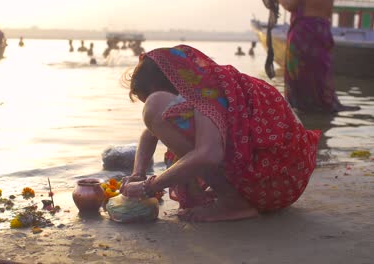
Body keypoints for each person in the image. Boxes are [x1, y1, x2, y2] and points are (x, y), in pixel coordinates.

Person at [120, 45, 321, 222]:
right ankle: (230, 195)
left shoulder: (206, 89)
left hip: (276, 182)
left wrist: (149, 186)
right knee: (159, 114)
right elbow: (150, 131)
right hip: (288, 178)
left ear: (159, 87)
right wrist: (138, 173)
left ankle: (233, 202)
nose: (151, 104)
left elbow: (208, 154)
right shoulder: (207, 81)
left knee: (157, 108)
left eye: (149, 97)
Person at [279, 0, 359, 113]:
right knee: (320, 70)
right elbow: (329, 11)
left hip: (304, 30)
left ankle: (304, 106)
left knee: (299, 71)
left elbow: (291, 5)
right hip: (322, 28)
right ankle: (322, 103)